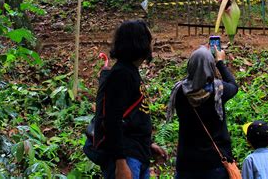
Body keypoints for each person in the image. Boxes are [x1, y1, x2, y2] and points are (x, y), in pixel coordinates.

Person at [99, 19, 167, 179]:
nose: (152, 44)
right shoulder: (121, 74)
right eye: (149, 40)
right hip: (128, 158)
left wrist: (148, 144)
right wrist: (120, 163)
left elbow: (133, 116)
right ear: (139, 43)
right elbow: (112, 121)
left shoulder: (130, 72)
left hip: (138, 155)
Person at [166, 45, 239, 179]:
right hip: (214, 163)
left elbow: (193, 80)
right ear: (211, 66)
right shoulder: (218, 90)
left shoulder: (180, 92)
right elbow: (234, 85)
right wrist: (220, 62)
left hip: (186, 165)